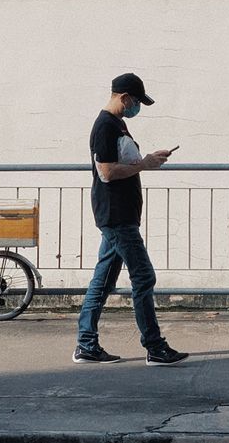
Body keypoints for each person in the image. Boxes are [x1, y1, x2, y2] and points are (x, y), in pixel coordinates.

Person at [73, 72, 189, 366]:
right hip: (116, 216)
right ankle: (154, 346)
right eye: (136, 101)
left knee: (103, 281)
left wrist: (147, 159)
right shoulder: (105, 127)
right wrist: (145, 165)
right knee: (144, 276)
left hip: (119, 215)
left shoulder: (116, 124)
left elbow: (123, 164)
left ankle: (86, 344)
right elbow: (107, 172)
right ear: (124, 98)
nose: (137, 107)